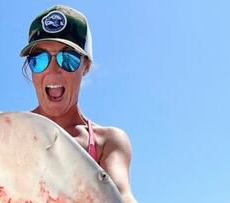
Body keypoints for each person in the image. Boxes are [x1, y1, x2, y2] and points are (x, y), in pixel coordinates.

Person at [19, 5, 137, 203]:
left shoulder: (107, 142)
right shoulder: (8, 133)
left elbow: (120, 196)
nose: (53, 70)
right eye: (39, 59)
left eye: (68, 58)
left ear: (86, 66)